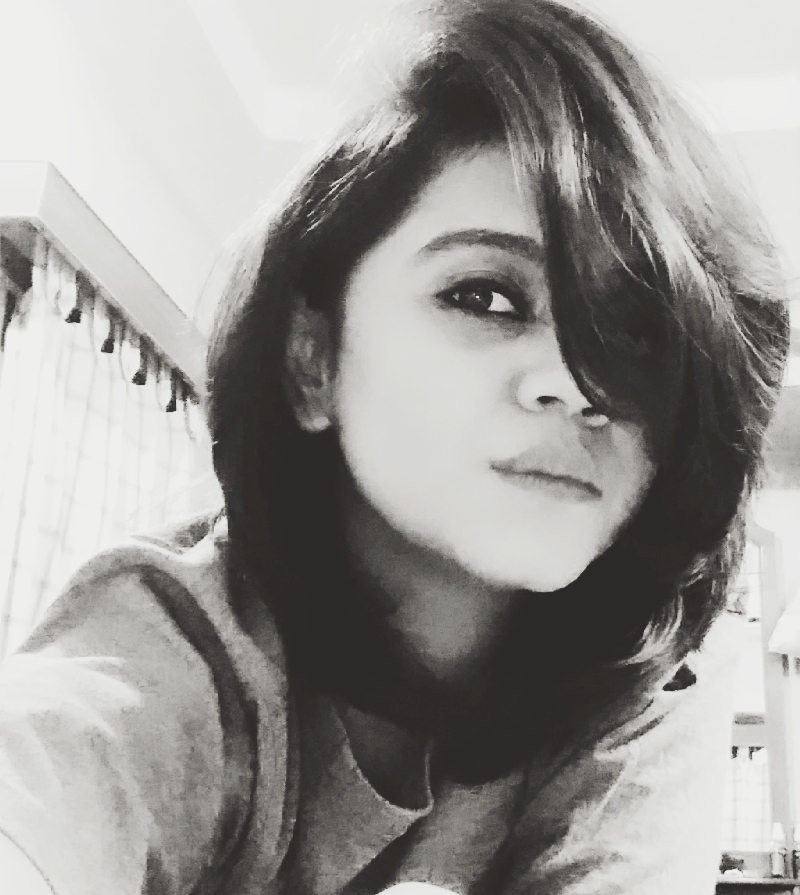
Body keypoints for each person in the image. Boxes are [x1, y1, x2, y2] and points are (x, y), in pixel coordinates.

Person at [0, 0, 790, 893]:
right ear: (313, 360)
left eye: (636, 333)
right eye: (486, 296)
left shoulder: (656, 673)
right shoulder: (173, 637)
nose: (578, 381)